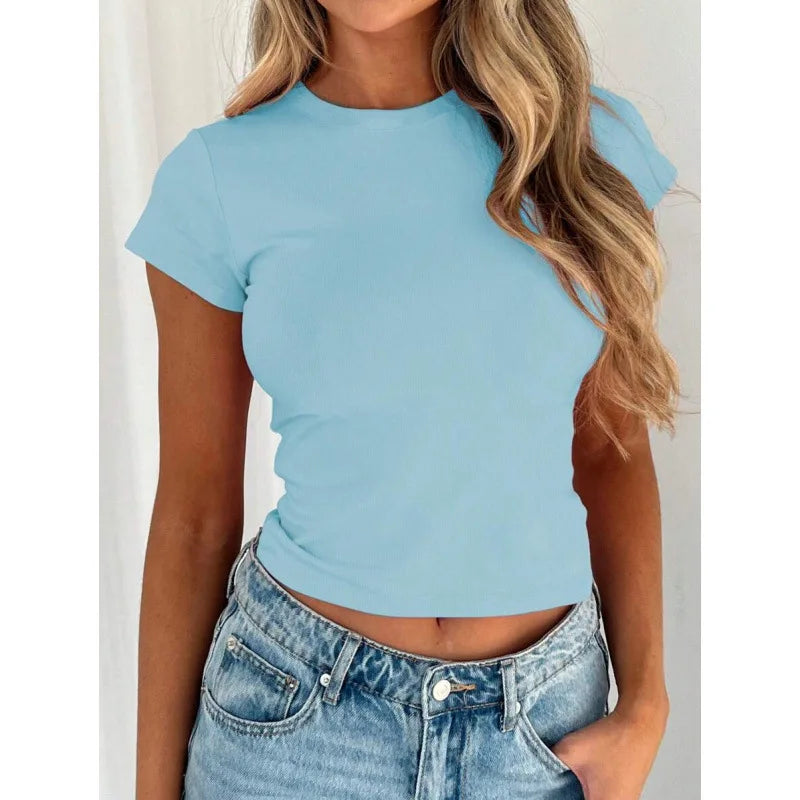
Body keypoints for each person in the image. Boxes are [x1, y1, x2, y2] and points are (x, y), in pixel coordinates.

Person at [125, 1, 679, 798]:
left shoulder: (585, 148)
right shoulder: (219, 178)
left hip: (545, 736)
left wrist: (648, 703)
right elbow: (193, 517)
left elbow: (609, 446)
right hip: (293, 729)